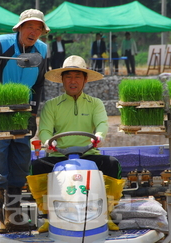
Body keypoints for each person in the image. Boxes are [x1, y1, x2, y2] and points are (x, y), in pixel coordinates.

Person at [0, 9, 50, 234]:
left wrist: (33, 114)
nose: (34, 32)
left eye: (38, 28)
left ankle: (13, 215)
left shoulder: (42, 50)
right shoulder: (1, 44)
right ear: (20, 28)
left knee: (20, 163)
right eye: (30, 27)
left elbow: (38, 85)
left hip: (22, 113)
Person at [27, 55, 123, 232]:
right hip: (58, 156)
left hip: (90, 155)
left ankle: (106, 214)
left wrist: (99, 136)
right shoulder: (51, 105)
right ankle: (49, 216)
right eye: (69, 77)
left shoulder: (96, 104)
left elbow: (102, 124)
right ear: (62, 80)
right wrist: (49, 142)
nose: (73, 81)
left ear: (85, 79)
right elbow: (45, 130)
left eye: (77, 76)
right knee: (36, 167)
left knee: (112, 165)